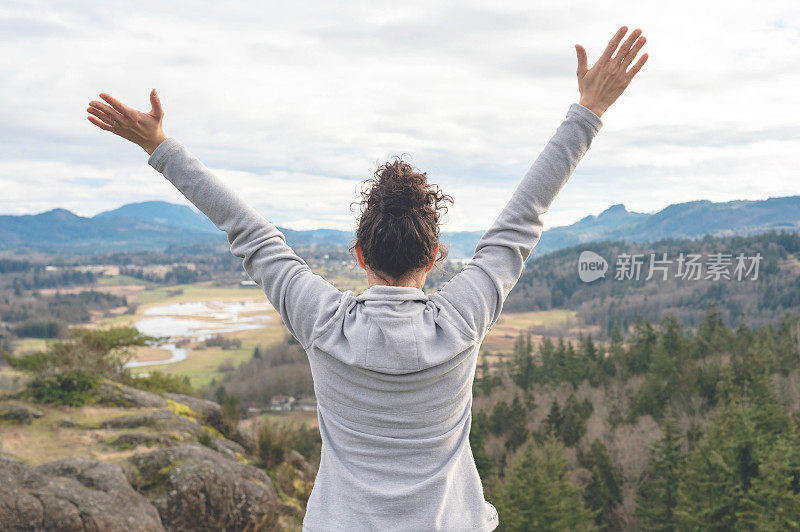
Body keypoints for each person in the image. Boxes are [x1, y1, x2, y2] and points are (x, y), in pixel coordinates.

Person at [87, 25, 647, 531]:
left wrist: (160, 147)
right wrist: (588, 109)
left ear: (359, 254)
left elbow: (249, 233)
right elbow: (522, 220)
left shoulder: (325, 324)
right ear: (436, 256)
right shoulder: (461, 321)